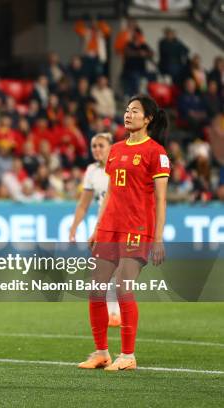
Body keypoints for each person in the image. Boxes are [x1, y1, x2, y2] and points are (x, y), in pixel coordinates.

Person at [79, 95, 170, 371]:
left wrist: (158, 238)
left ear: (148, 118)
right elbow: (110, 194)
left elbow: (161, 198)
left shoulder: (157, 153)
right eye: (127, 110)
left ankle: (128, 355)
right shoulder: (116, 149)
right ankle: (101, 352)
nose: (128, 115)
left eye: (135, 111)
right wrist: (97, 226)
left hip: (137, 229)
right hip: (109, 228)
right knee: (96, 288)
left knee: (122, 286)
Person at [68, 133, 120, 326]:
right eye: (94, 146)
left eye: (101, 145)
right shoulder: (91, 171)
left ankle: (115, 311)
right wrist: (74, 226)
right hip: (104, 224)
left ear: (110, 147)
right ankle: (113, 313)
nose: (96, 149)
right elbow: (83, 204)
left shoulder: (121, 167)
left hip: (124, 222)